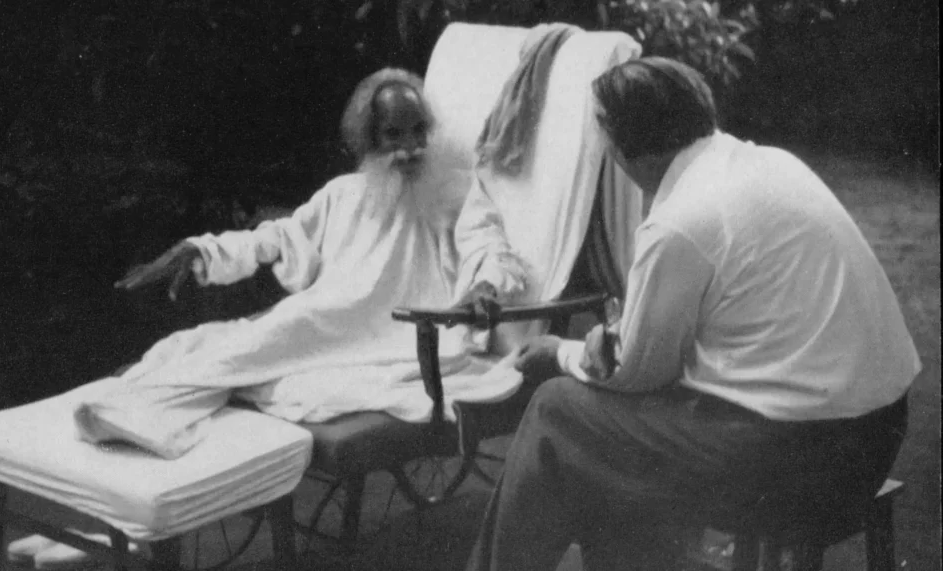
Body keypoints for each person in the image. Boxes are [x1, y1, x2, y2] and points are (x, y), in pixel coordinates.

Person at [464, 56, 921, 571]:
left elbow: (635, 373)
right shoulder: (768, 163)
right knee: (604, 442)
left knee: (558, 410)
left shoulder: (680, 220)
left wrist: (559, 352)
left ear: (620, 145)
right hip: (879, 435)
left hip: (803, 458)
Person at [70, 67, 524, 462]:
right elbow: (279, 238)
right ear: (370, 138)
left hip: (399, 333)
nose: (410, 148)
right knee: (228, 343)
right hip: (328, 318)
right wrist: (202, 250)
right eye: (394, 134)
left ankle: (135, 411)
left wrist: (484, 287)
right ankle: (139, 417)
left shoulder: (455, 190)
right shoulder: (344, 193)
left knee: (257, 342)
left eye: (418, 131)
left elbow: (488, 244)